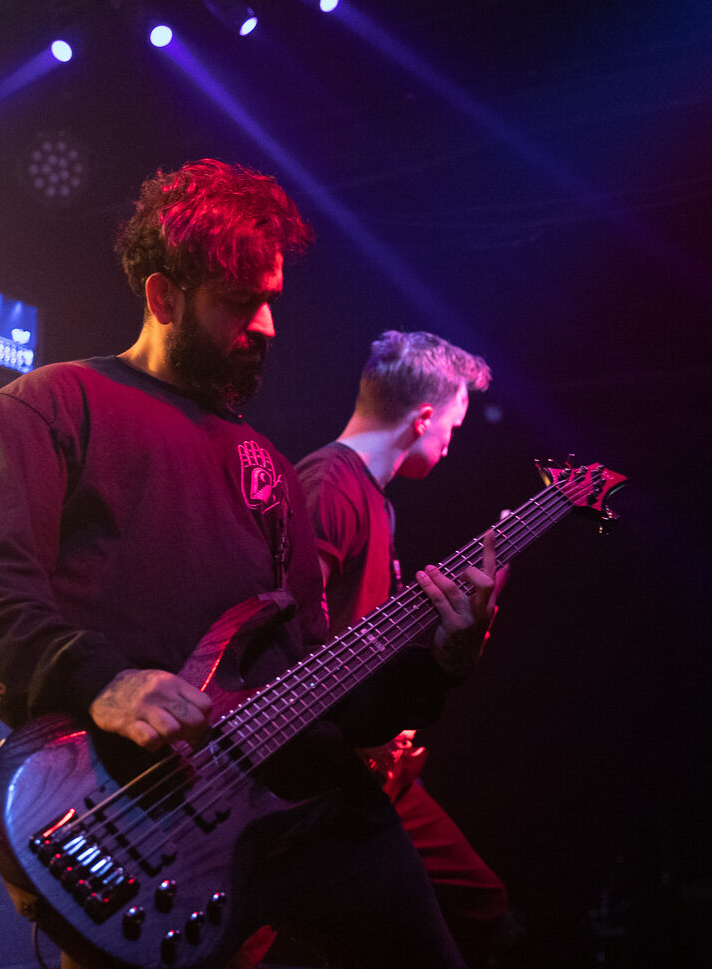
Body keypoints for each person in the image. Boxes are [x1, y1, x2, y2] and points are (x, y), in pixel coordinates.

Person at [0, 160, 499, 969]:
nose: (265, 326)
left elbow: (316, 684)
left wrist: (439, 665)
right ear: (163, 298)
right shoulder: (51, 405)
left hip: (305, 805)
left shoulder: (266, 464)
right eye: (240, 302)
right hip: (139, 815)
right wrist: (104, 683)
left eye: (270, 300)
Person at [295, 330, 510, 967]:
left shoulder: (377, 506)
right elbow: (287, 645)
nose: (451, 441)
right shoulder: (328, 488)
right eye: (453, 424)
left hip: (362, 755)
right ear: (422, 418)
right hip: (313, 772)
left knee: (478, 904)